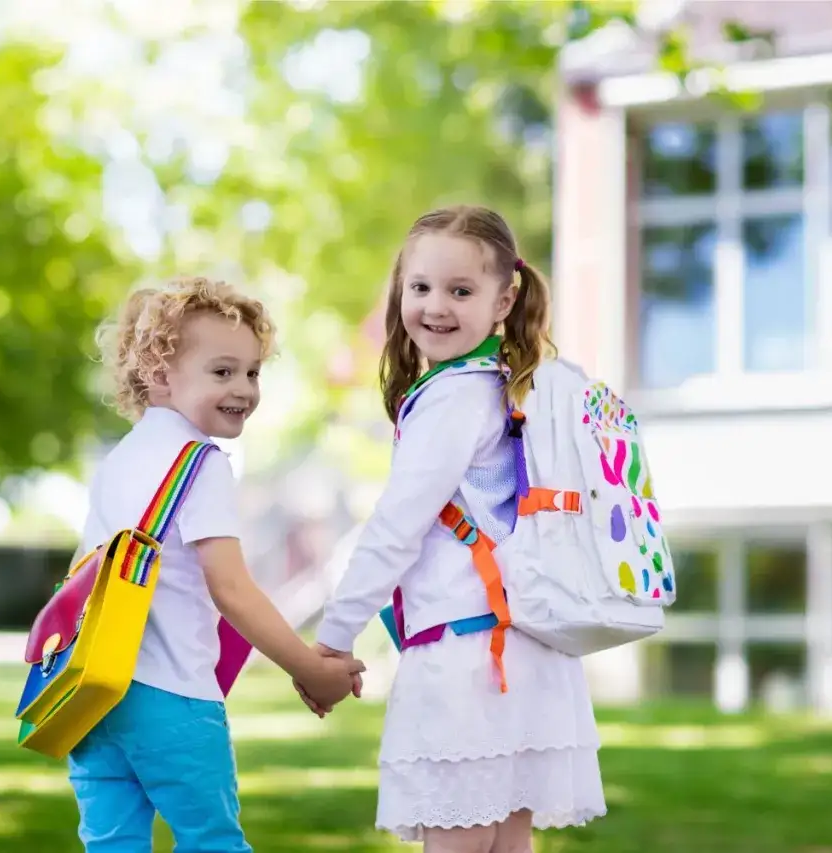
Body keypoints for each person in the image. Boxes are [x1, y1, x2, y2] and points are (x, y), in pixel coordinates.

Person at [305, 207, 606, 851]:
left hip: (467, 664)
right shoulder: (511, 385)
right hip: (526, 650)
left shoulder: (451, 397)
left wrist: (331, 638)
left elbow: (395, 528)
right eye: (420, 287)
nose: (435, 306)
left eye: (460, 291)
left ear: (504, 300)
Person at [69, 275, 365, 852]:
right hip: (171, 696)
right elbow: (231, 587)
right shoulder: (199, 463)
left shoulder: (121, 459)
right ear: (159, 374)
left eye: (253, 372)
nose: (246, 390)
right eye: (222, 372)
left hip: (93, 696)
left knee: (111, 843)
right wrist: (307, 666)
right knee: (212, 842)